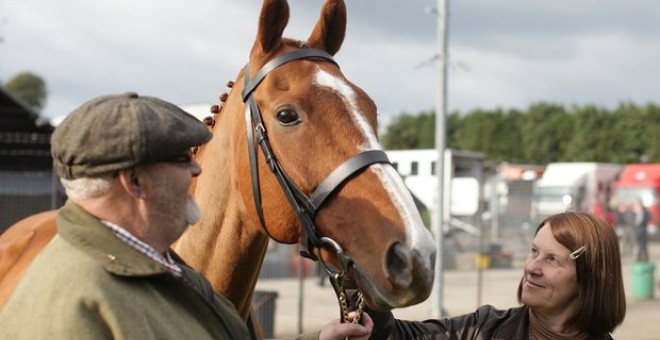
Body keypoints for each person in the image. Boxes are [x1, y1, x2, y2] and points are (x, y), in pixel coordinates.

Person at [0, 92, 372, 340]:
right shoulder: (71, 304)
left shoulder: (154, 260)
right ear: (134, 181)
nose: (196, 171)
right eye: (181, 160)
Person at [366, 212, 626, 339]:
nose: (532, 267)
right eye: (533, 251)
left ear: (589, 280)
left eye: (552, 260)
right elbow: (401, 337)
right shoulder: (484, 329)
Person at [632, 198, 651, 262]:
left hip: (643, 230)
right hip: (635, 230)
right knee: (637, 245)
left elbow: (649, 218)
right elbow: (629, 220)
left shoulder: (645, 212)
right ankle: (638, 259)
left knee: (644, 245)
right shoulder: (633, 212)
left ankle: (645, 258)